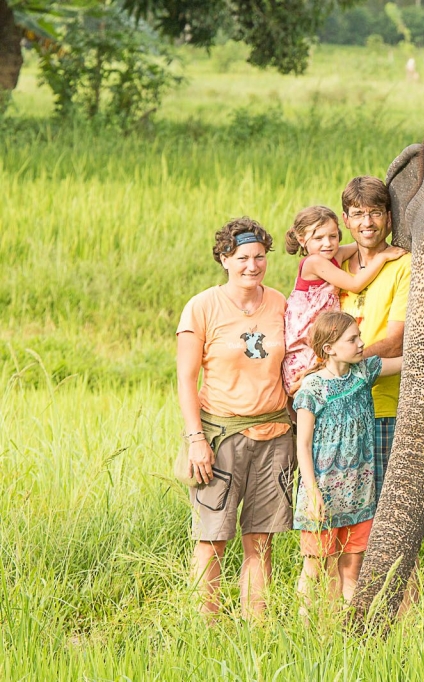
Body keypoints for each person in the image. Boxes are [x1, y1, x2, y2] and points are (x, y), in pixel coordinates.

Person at [176, 217, 294, 619]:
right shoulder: (203, 307)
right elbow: (186, 379)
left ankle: (256, 628)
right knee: (212, 538)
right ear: (225, 258)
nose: (252, 265)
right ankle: (206, 627)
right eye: (243, 257)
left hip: (276, 435)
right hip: (221, 437)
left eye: (260, 257)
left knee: (260, 541)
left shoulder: (279, 302)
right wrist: (196, 441)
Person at [292, 310, 403, 604]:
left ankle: (349, 631)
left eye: (359, 336)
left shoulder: (365, 372)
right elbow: (302, 445)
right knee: (316, 570)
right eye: (352, 339)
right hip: (323, 494)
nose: (361, 343)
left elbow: (408, 363)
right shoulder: (313, 387)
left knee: (352, 568)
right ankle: (309, 631)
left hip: (359, 494)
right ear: (329, 348)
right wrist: (312, 491)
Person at [336, 176, 411, 503]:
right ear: (346, 220)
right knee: (339, 510)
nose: (368, 223)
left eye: (376, 213)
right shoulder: (335, 265)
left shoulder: (403, 265)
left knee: (383, 511)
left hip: (381, 407)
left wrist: (337, 363)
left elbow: (395, 341)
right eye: (358, 214)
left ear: (389, 218)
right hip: (335, 407)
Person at [282, 205, 405, 395]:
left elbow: (363, 243)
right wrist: (382, 258)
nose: (327, 243)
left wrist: (380, 229)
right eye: (318, 238)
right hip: (305, 336)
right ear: (301, 240)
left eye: (333, 236)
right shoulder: (314, 262)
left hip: (322, 333)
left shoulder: (334, 255)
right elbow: (355, 284)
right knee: (308, 388)